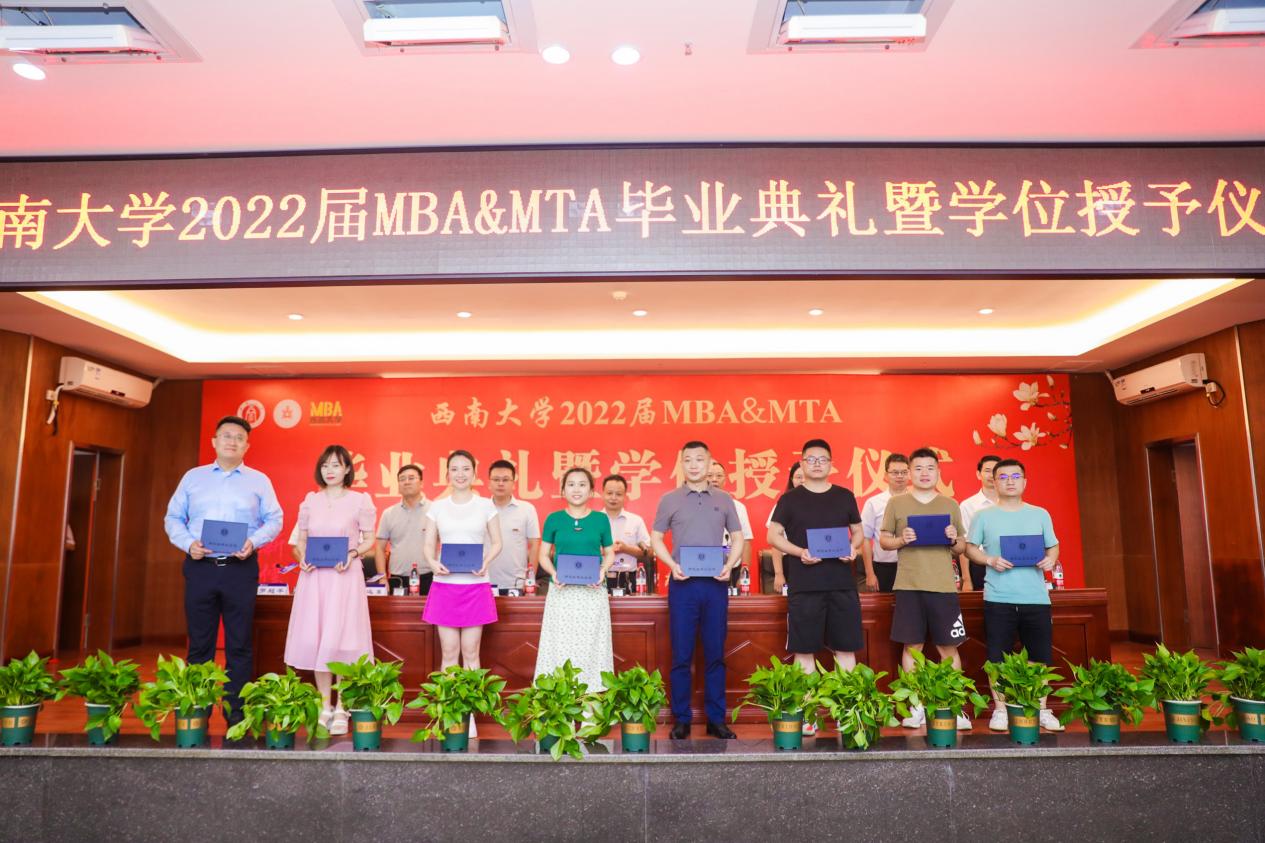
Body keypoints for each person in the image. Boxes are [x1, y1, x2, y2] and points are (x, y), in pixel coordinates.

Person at [164, 415, 283, 727]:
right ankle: (196, 711)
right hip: (200, 567)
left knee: (239, 644)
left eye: (239, 437)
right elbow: (173, 517)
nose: (232, 441)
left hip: (239, 570)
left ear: (247, 446)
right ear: (214, 441)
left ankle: (236, 714)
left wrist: (253, 542)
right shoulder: (193, 478)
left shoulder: (259, 480)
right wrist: (188, 543)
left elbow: (275, 519)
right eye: (226, 435)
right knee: (199, 644)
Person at [767, 439, 864, 736]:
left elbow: (858, 532)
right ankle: (808, 714)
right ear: (802, 463)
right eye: (811, 459)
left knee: (845, 649)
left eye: (823, 459)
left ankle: (848, 714)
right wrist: (800, 552)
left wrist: (854, 548)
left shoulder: (845, 496)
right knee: (804, 651)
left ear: (831, 463)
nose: (817, 464)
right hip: (805, 586)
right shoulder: (789, 500)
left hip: (841, 584)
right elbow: (773, 536)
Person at [652, 440, 744, 740]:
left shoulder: (724, 499)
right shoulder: (669, 499)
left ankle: (716, 719)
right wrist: (671, 565)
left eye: (699, 459)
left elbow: (738, 537)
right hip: (683, 585)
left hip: (715, 585)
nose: (693, 465)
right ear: (681, 464)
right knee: (681, 654)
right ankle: (682, 719)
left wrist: (730, 564)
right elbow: (656, 538)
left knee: (715, 653)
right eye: (688, 460)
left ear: (709, 462)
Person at [965, 457, 1065, 733]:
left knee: (1040, 656)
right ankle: (1000, 710)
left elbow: (1053, 546)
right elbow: (970, 548)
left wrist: (1050, 559)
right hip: (998, 597)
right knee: (997, 658)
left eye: (1015, 476)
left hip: (1036, 597)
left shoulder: (1040, 514)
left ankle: (1040, 708)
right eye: (1003, 477)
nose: (1010, 481)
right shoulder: (983, 516)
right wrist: (989, 560)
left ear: (1025, 482)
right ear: (994, 482)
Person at [283, 445, 377, 735]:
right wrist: (303, 558)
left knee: (344, 639)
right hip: (315, 579)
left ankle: (342, 707)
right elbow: (301, 541)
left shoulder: (360, 501)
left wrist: (352, 553)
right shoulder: (310, 502)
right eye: (325, 466)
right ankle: (324, 705)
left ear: (347, 468)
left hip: (344, 577)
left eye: (336, 465)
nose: (330, 471)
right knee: (318, 638)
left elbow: (369, 540)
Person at [880, 447, 971, 730]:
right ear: (909, 472)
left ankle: (953, 705)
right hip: (909, 585)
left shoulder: (950, 504)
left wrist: (953, 538)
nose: (924, 473)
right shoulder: (897, 503)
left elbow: (961, 547)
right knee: (913, 647)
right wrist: (901, 539)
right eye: (918, 468)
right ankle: (916, 706)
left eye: (930, 468)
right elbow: (884, 540)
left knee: (948, 647)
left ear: (938, 472)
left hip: (943, 586)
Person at [534, 468, 616, 689]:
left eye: (582, 484)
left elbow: (610, 553)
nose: (576, 489)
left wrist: (602, 571)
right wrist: (553, 573)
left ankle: (592, 704)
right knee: (561, 646)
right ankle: (561, 703)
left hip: (592, 592)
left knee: (592, 645)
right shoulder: (554, 519)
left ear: (591, 491)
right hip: (562, 592)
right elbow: (543, 555)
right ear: (563, 490)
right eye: (571, 484)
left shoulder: (601, 520)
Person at [422, 450, 503, 674]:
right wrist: (432, 562)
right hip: (445, 585)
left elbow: (498, 542)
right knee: (449, 652)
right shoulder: (437, 506)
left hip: (476, 586)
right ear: (447, 474)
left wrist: (486, 561)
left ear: (474, 474)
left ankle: (471, 699)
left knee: (471, 652)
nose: (460, 474)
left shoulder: (486, 505)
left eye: (466, 469)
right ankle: (449, 698)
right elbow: (428, 544)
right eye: (455, 469)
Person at [485, 459, 542, 593]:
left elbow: (534, 545)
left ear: (513, 483)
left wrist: (530, 579)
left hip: (517, 583)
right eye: (496, 479)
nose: (500, 483)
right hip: (484, 581)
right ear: (489, 483)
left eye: (505, 480)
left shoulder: (527, 509)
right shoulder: (480, 508)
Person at [374, 463, 432, 594]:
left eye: (411, 478)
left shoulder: (435, 510)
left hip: (429, 577)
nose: (406, 482)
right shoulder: (389, 513)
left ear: (421, 483)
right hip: (397, 579)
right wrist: (383, 578)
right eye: (402, 479)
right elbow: (379, 548)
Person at [860, 454, 911, 593]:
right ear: (885, 475)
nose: (900, 476)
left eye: (904, 472)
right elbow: (865, 538)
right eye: (895, 472)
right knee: (885, 605)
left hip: (912, 566)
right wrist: (870, 574)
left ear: (909, 474)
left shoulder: (917, 501)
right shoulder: (874, 503)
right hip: (884, 567)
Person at [707, 459, 754, 588]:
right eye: (709, 476)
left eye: (719, 476)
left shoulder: (738, 507)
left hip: (732, 569)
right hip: (704, 568)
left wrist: (744, 571)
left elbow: (746, 541)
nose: (714, 479)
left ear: (725, 480)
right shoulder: (694, 506)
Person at [602, 474, 653, 593]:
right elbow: (583, 552)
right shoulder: (593, 520)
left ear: (625, 497)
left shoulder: (635, 521)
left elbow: (649, 552)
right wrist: (606, 550)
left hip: (629, 578)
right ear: (602, 494)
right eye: (609, 493)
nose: (613, 497)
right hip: (599, 578)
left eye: (618, 494)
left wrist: (625, 548)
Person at [959, 455, 1000, 592]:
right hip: (978, 565)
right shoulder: (968, 505)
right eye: (987, 470)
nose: (992, 475)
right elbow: (964, 544)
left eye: (996, 471)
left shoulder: (1012, 504)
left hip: (1007, 563)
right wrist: (966, 579)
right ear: (978, 474)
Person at [768, 461, 805, 594]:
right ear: (792, 480)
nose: (802, 480)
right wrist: (779, 573)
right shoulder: (784, 503)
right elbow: (776, 542)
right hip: (791, 561)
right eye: (798, 477)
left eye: (806, 476)